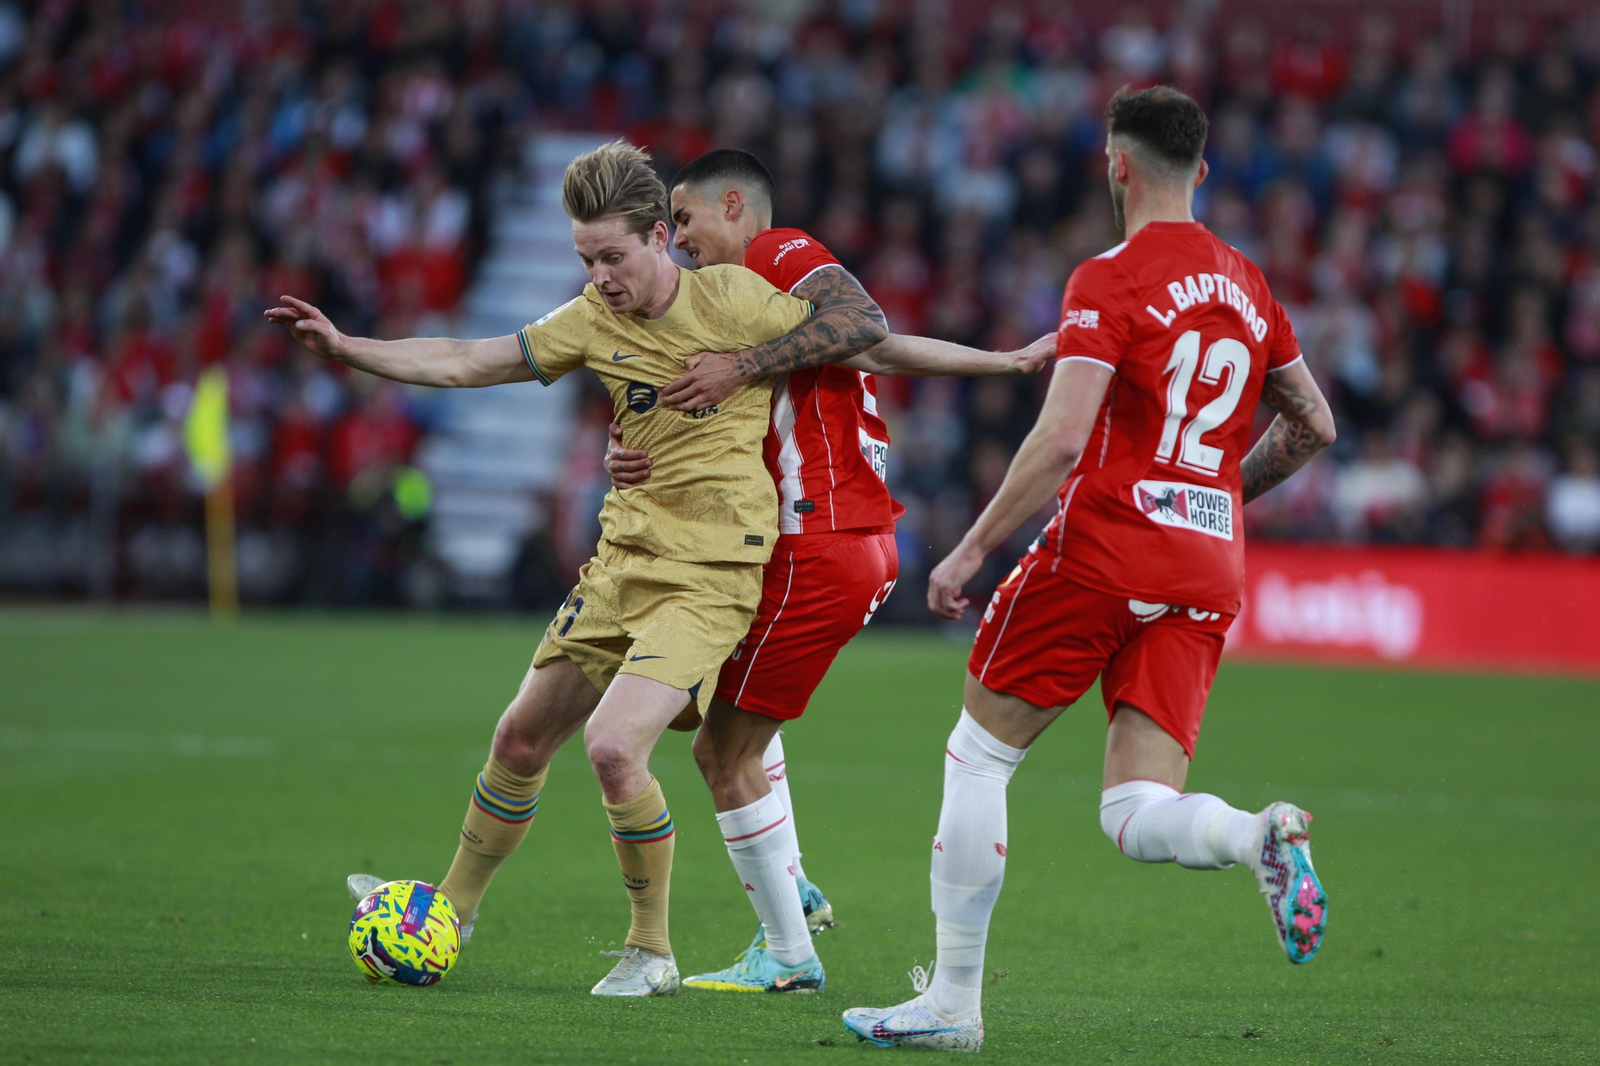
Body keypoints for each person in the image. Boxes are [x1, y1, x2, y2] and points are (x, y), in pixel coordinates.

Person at [841, 86, 1338, 1052]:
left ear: (1117, 165)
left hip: (1103, 548)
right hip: (1205, 566)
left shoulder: (1109, 278)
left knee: (980, 753)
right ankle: (1253, 835)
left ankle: (951, 1003)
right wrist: (1216, 497)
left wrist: (975, 547)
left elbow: (1064, 437)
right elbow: (1314, 423)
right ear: (1200, 170)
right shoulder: (1250, 286)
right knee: (1132, 808)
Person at [268, 140, 825, 997]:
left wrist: (1002, 362)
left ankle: (652, 950)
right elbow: (466, 359)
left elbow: (871, 342)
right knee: (519, 739)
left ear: (658, 236)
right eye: (584, 259)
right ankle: (450, 907)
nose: (598, 276)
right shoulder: (592, 321)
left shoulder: (739, 301)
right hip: (622, 563)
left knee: (611, 749)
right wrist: (350, 348)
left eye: (611, 256)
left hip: (710, 575)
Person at [602, 147, 1054, 994]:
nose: (681, 240)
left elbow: (864, 326)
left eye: (687, 218)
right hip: (840, 541)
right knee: (691, 713)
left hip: (819, 540)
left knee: (718, 750)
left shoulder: (777, 254)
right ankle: (790, 879)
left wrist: (738, 367)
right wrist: (998, 361)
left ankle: (787, 953)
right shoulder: (756, 308)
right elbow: (880, 351)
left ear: (733, 206)